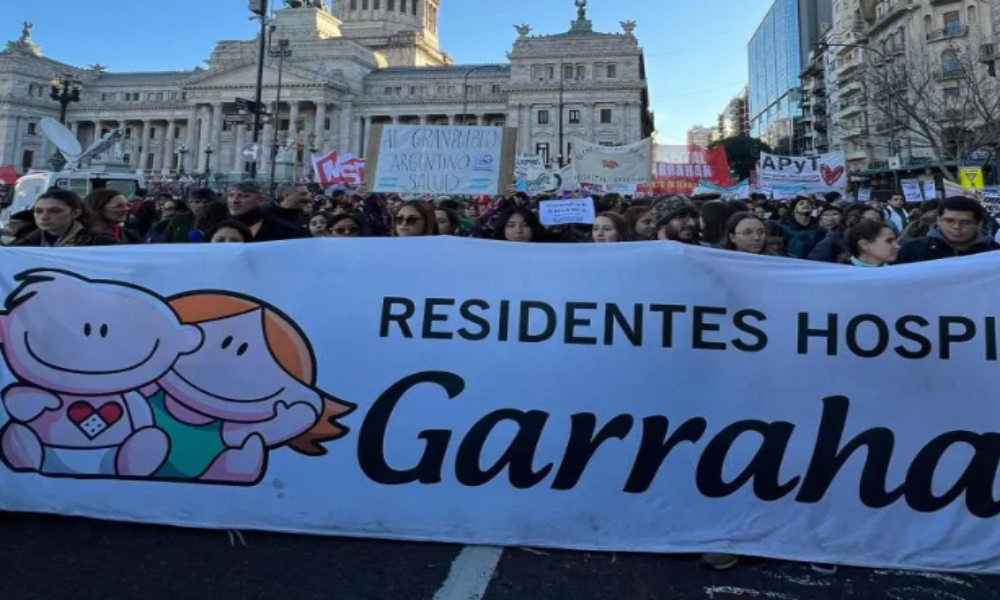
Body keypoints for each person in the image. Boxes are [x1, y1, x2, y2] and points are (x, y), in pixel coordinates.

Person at [898, 196, 1000, 263]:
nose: (956, 227)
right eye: (949, 221)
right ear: (938, 220)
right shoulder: (911, 250)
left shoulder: (994, 253)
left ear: (979, 223)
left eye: (965, 222)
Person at [12, 188, 114, 247]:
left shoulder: (100, 243)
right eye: (38, 211)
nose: (44, 217)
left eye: (55, 211)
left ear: (75, 213)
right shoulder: (24, 242)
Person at [226, 181, 302, 242]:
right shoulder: (220, 227)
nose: (234, 201)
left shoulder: (284, 230)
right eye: (231, 195)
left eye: (245, 196)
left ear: (261, 200)